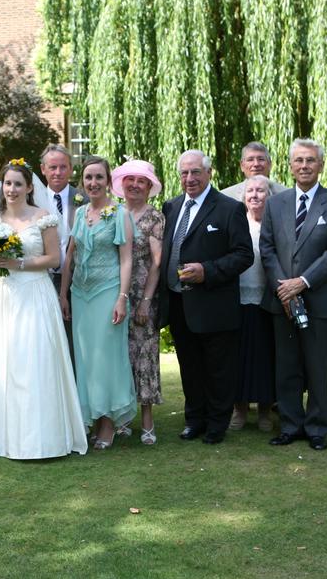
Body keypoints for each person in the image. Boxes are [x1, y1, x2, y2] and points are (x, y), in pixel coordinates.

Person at [0, 161, 88, 459]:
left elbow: (54, 259)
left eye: (17, 184)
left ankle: (44, 438)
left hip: (35, 295)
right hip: (5, 296)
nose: (11, 189)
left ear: (29, 187)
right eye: (7, 183)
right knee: (8, 362)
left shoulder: (44, 218)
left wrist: (19, 264)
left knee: (35, 361)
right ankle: (8, 438)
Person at [259, 139, 327, 451]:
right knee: (286, 366)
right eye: (298, 160)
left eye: (310, 160)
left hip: (319, 299)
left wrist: (302, 282)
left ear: (320, 165)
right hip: (282, 299)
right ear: (290, 165)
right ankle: (289, 425)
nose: (304, 166)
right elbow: (268, 249)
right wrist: (284, 289)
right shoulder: (276, 204)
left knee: (316, 366)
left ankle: (315, 428)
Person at [159, 151, 253, 445]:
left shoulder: (228, 208)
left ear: (209, 173)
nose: (190, 179)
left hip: (214, 304)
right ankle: (194, 419)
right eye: (185, 173)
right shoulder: (171, 207)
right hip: (179, 303)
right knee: (189, 366)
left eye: (196, 172)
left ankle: (216, 424)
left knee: (218, 368)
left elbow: (244, 255)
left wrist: (207, 271)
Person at [59, 156, 136, 449]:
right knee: (87, 358)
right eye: (89, 177)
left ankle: (108, 422)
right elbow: (70, 257)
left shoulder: (120, 214)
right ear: (83, 181)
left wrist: (122, 298)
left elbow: (126, 259)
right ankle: (90, 415)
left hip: (108, 292)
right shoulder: (79, 214)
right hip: (81, 294)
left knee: (106, 358)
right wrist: (63, 294)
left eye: (99, 177)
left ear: (108, 181)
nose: (93, 183)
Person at [111, 159, 164, 445]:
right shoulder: (114, 214)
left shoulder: (154, 217)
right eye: (129, 180)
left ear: (148, 186)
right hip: (116, 293)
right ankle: (121, 417)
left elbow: (157, 264)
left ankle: (147, 421)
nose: (134, 185)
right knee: (119, 355)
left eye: (140, 181)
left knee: (144, 355)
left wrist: (145, 300)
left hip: (143, 294)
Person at [230, 175, 276, 432]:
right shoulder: (236, 223)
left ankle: (265, 412)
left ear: (269, 196)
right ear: (244, 196)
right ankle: (239, 409)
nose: (255, 195)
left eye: (261, 190)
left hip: (267, 300)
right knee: (239, 358)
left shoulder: (276, 223)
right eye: (251, 191)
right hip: (238, 299)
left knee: (266, 357)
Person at [40, 144, 87, 360]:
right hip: (42, 280)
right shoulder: (33, 199)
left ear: (70, 169)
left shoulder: (84, 198)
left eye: (63, 167)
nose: (58, 172)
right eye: (52, 167)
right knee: (45, 341)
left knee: (75, 343)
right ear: (43, 169)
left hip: (78, 281)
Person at [220, 142, 288, 201]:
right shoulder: (225, 196)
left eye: (261, 159)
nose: (256, 164)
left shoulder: (286, 194)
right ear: (242, 166)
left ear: (270, 164)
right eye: (250, 159)